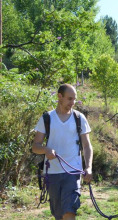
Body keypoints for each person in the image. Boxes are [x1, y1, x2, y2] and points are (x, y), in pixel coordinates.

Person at [32, 83, 93, 220]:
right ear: (60, 96)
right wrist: (45, 150)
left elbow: (87, 145)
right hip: (52, 173)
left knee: (69, 211)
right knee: (59, 215)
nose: (73, 102)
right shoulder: (47, 118)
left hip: (73, 172)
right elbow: (35, 146)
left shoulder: (79, 118)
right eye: (69, 99)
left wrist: (88, 167)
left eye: (74, 99)